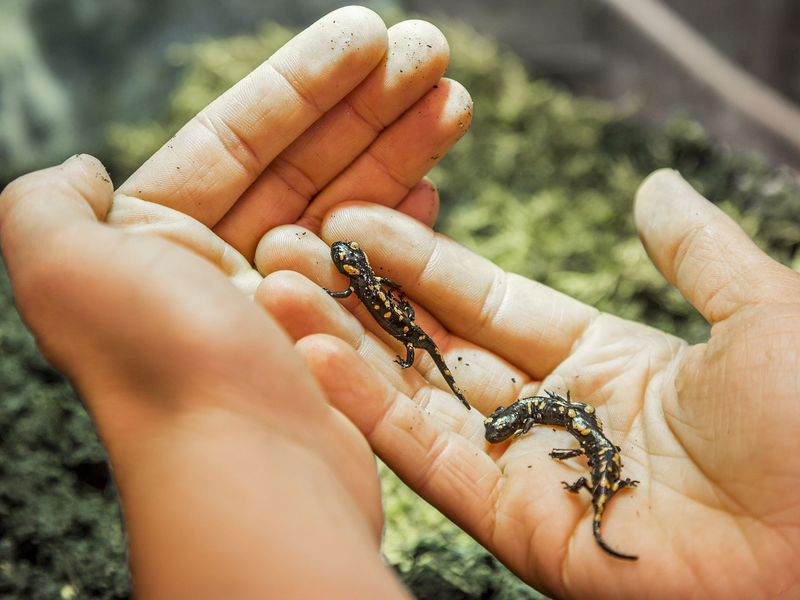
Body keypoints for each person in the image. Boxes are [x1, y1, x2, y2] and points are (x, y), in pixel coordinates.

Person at [1, 6, 798, 599]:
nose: (347, 265)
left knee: (421, 349)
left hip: (423, 354)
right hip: (413, 346)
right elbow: (360, 293)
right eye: (348, 266)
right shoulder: (364, 288)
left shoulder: (369, 293)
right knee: (413, 344)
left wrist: (210, 418)